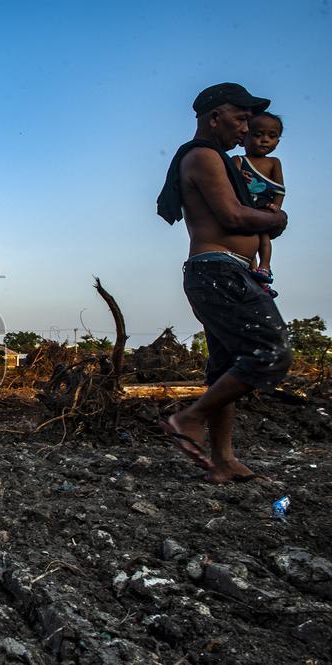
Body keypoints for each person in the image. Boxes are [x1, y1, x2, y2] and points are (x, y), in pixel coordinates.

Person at [155, 82, 292, 484]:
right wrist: (276, 220)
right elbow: (232, 217)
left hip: (224, 270)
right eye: (241, 118)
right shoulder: (204, 156)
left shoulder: (220, 159)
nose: (246, 128)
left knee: (226, 368)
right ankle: (188, 417)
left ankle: (222, 460)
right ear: (215, 117)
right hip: (219, 271)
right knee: (273, 352)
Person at [233, 111, 286, 297]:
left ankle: (265, 267)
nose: (264, 140)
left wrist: (276, 207)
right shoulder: (238, 160)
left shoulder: (274, 163)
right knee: (250, 241)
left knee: (263, 238)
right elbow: (230, 179)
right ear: (243, 137)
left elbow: (279, 189)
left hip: (263, 209)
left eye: (271, 136)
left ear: (278, 141)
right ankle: (254, 274)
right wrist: (238, 175)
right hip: (245, 209)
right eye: (257, 135)